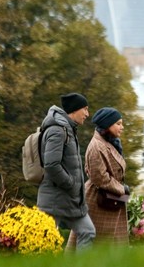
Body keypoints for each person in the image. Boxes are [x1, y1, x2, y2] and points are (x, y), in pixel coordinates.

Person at [36, 92, 96, 250]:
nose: (87, 114)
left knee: (87, 231)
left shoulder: (68, 129)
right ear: (75, 110)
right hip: (54, 199)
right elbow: (51, 165)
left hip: (69, 199)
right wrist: (70, 183)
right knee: (45, 245)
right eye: (85, 109)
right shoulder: (57, 130)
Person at [83, 107, 130, 244]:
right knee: (99, 248)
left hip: (110, 199)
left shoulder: (110, 143)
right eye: (118, 123)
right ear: (107, 125)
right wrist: (122, 189)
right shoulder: (97, 146)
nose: (122, 127)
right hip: (99, 201)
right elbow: (100, 178)